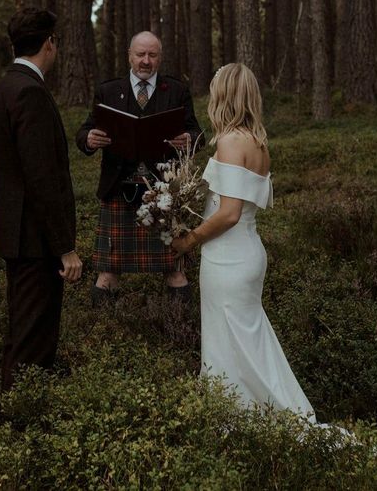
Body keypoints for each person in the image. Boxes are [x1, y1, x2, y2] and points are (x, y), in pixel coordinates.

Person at [171, 63, 315, 421]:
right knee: (246, 340)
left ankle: (243, 415)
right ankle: (249, 410)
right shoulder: (257, 142)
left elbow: (229, 212)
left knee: (234, 340)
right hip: (243, 251)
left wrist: (189, 240)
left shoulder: (233, 141)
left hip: (229, 257)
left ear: (225, 96)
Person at [0, 7, 82, 390]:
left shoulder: (4, 88)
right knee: (33, 342)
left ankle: (16, 418)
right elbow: (42, 179)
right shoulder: (30, 93)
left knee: (22, 333)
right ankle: (18, 426)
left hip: (18, 234)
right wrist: (65, 249)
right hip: (36, 241)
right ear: (49, 43)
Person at [76, 31, 203, 305]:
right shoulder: (108, 91)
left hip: (164, 194)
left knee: (175, 271)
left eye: (152, 55)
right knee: (108, 273)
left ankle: (179, 332)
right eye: (140, 55)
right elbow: (85, 130)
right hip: (118, 189)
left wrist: (189, 139)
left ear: (160, 58)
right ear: (129, 56)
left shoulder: (177, 90)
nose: (146, 61)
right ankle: (102, 335)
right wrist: (88, 138)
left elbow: (197, 132)